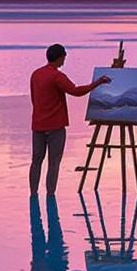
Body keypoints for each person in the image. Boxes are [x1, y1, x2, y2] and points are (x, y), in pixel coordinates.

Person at [28, 44, 108, 199]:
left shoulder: (35, 74)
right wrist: (97, 83)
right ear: (59, 57)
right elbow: (76, 91)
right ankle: (50, 194)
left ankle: (33, 193)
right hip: (55, 127)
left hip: (37, 124)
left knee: (36, 160)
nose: (64, 60)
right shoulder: (57, 76)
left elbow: (34, 98)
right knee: (54, 162)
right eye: (64, 57)